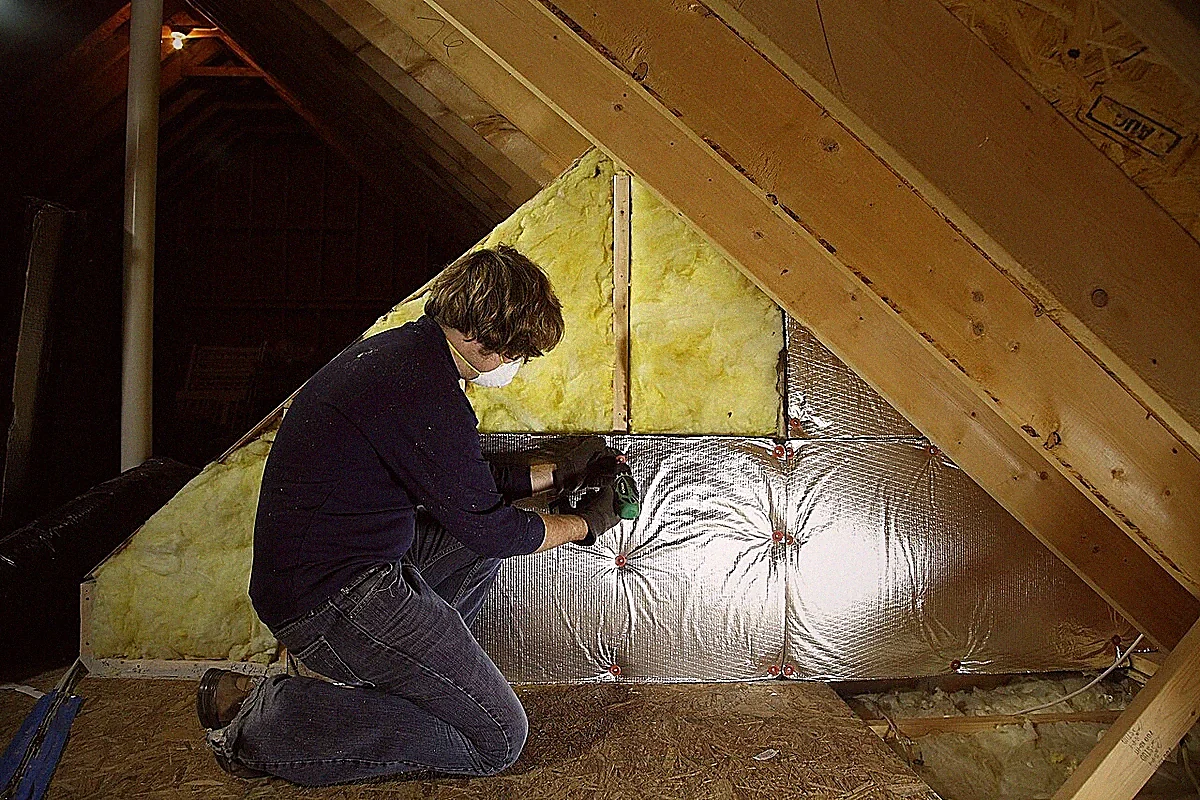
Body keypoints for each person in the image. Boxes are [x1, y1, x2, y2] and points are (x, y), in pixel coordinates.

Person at [196, 245, 624, 785]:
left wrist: (558, 472)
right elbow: (492, 529)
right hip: (330, 600)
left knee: (466, 545)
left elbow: (459, 486)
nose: (515, 366)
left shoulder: (406, 358)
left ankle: (420, 676)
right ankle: (263, 724)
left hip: (331, 568)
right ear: (476, 336)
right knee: (496, 738)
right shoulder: (422, 391)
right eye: (514, 353)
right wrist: (588, 524)